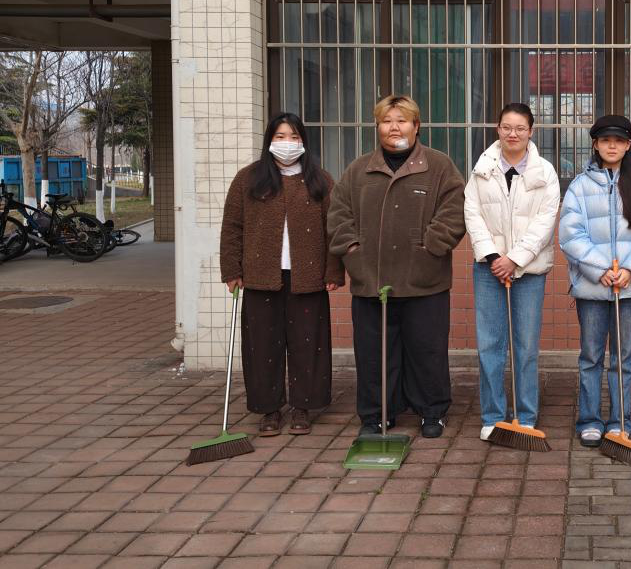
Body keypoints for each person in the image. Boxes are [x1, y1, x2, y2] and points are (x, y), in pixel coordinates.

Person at [328, 95, 466, 440]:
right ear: (377, 127)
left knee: (427, 350)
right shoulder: (359, 169)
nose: (394, 127)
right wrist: (354, 252)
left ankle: (432, 411)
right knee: (374, 353)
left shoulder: (439, 166)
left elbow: (454, 211)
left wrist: (430, 246)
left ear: (416, 126)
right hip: (371, 281)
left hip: (424, 280)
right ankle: (377, 414)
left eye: (402, 120)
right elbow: (338, 214)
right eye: (387, 121)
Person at [219, 113, 343, 438]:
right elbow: (232, 227)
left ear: (303, 142)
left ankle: (303, 405)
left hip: (308, 276)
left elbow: (334, 229)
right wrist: (231, 269)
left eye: (294, 137)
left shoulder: (320, 180)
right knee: (262, 345)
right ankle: (269, 408)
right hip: (261, 276)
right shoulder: (248, 179)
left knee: (308, 344)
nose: (287, 143)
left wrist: (333, 269)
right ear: (269, 141)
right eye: (280, 136)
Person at [559, 115, 631, 448]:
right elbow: (570, 234)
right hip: (593, 286)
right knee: (591, 356)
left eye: (618, 140)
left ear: (628, 144)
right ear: (595, 144)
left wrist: (630, 269)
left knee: (623, 358)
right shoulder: (579, 186)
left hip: (630, 287)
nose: (612, 146)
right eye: (605, 140)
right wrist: (600, 269)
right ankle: (590, 420)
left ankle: (621, 421)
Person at [464, 103, 561, 440]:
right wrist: (493, 256)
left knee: (525, 345)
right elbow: (472, 213)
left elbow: (545, 222)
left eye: (520, 128)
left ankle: (525, 415)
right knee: (490, 345)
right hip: (488, 268)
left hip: (529, 270)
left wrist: (515, 259)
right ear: (498, 129)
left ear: (531, 131)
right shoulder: (482, 168)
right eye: (507, 127)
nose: (513, 134)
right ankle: (493, 415)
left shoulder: (544, 172)